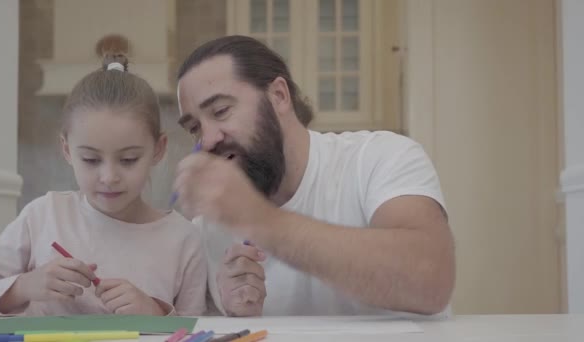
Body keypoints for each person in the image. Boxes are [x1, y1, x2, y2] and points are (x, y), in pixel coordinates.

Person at [173, 35, 455, 317]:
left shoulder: (379, 157)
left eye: (221, 111)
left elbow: (430, 281)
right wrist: (235, 318)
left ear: (279, 96)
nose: (207, 140)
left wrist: (259, 219)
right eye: (195, 128)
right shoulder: (209, 225)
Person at [0, 50, 207, 316]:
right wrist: (23, 287)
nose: (109, 177)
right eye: (90, 159)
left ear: (158, 149)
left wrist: (156, 314)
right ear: (66, 150)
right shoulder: (41, 217)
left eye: (129, 159)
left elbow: (198, 330)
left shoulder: (184, 240)